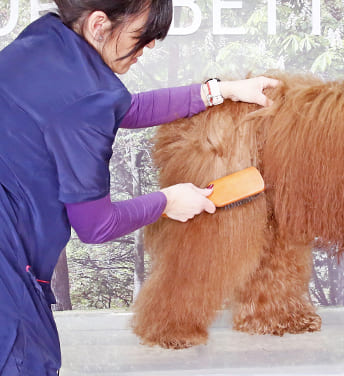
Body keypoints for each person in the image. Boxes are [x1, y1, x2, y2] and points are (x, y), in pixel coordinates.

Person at [0, 0, 279, 374]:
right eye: (141, 36)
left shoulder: (47, 37)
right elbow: (96, 225)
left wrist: (223, 91)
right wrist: (167, 201)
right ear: (99, 24)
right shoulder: (86, 101)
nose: (148, 48)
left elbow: (123, 108)